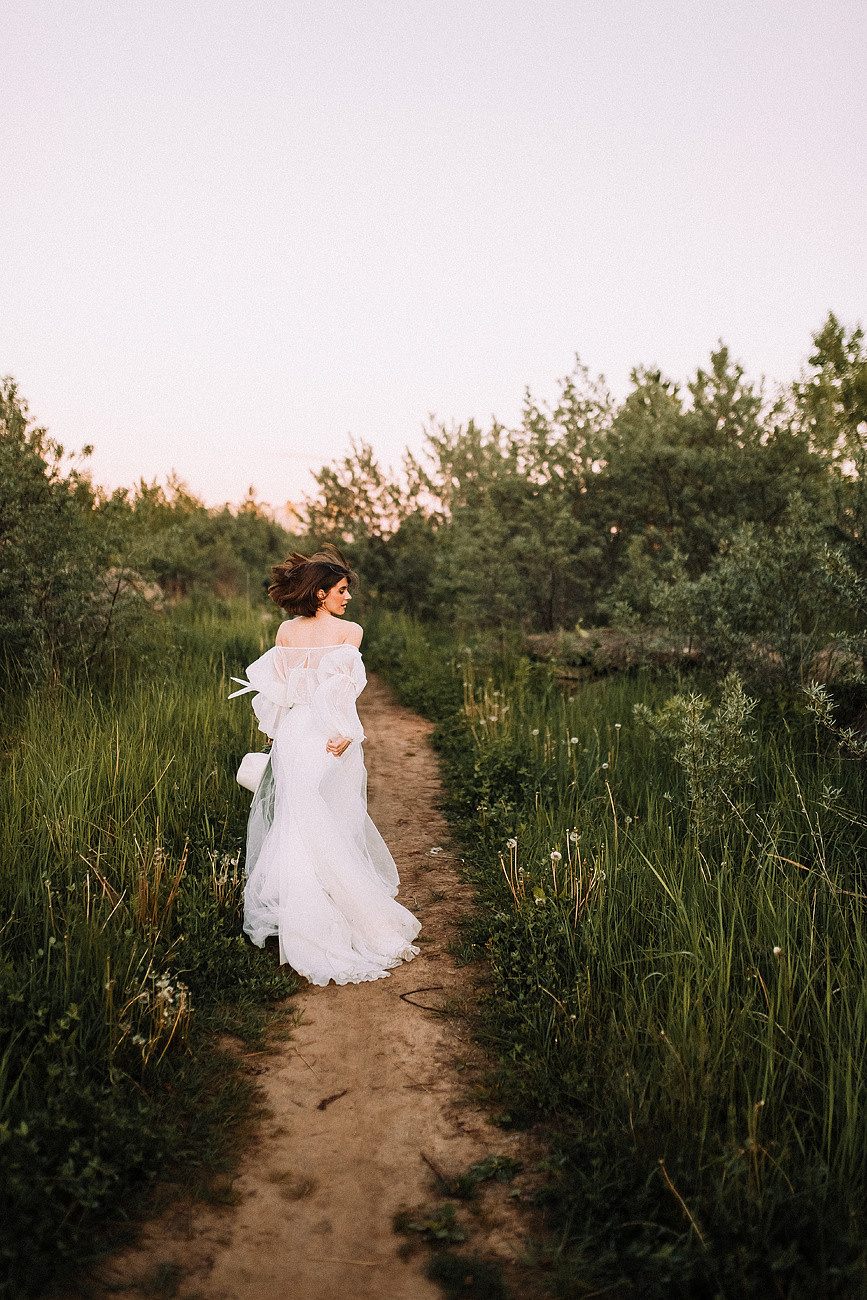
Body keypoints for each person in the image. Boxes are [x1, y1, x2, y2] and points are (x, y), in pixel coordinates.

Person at [231, 545, 420, 986]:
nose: (347, 596)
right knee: (326, 819)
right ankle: (325, 914)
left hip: (300, 736)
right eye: (340, 589)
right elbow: (341, 695)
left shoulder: (286, 632)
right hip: (328, 737)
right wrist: (347, 733)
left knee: (300, 823)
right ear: (319, 593)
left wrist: (277, 738)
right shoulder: (349, 634)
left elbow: (277, 696)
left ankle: (303, 914)